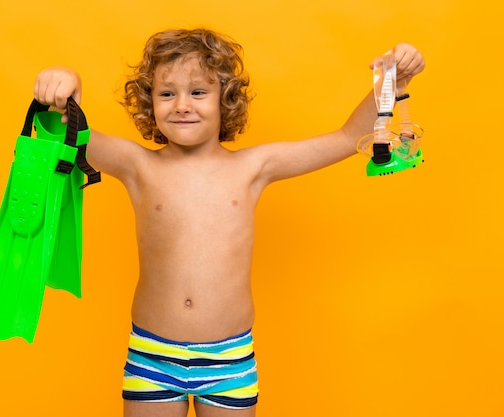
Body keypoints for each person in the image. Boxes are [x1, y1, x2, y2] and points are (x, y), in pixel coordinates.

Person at [33, 28, 425, 417]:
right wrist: (68, 83)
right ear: (148, 102)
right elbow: (65, 134)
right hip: (152, 354)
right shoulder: (138, 166)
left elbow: (347, 137)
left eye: (198, 92)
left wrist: (395, 78)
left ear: (226, 100)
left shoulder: (252, 168)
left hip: (228, 359)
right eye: (166, 94)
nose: (182, 105)